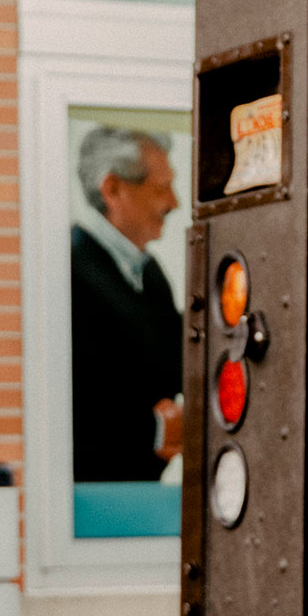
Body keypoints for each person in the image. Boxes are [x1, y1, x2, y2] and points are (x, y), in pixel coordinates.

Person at [70, 125, 183, 484]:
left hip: (138, 489)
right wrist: (154, 429)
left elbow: (178, 359)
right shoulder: (69, 269)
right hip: (93, 498)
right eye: (161, 188)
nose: (175, 203)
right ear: (113, 188)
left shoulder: (149, 273)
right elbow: (72, 403)